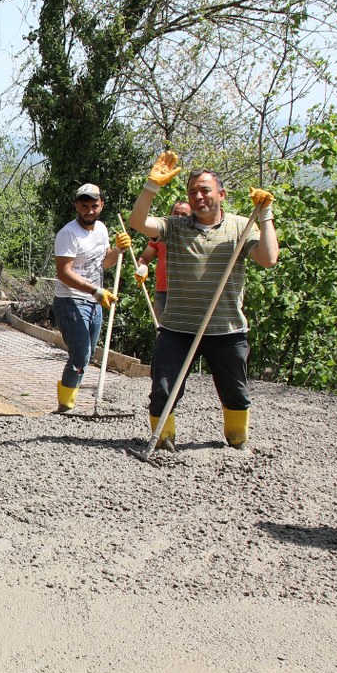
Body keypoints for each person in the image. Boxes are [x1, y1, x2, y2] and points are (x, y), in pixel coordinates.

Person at [128, 152, 278, 450]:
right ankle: (163, 440)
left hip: (226, 329)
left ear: (221, 194)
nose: (198, 196)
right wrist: (151, 186)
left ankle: (236, 439)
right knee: (163, 388)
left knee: (235, 392)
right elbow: (138, 222)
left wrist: (265, 214)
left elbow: (269, 258)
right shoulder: (174, 226)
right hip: (177, 328)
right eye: (192, 192)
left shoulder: (241, 226)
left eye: (205, 190)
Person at [51, 183, 131, 412]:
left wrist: (119, 250)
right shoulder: (68, 233)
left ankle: (68, 400)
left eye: (94, 206)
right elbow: (63, 273)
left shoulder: (102, 229)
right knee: (81, 353)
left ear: (101, 205)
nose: (89, 210)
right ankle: (65, 406)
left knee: (87, 355)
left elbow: (104, 263)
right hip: (70, 301)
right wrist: (95, 290)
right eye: (84, 206)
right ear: (76, 206)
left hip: (95, 301)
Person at [135, 200, 192, 313]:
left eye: (184, 214)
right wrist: (143, 267)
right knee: (161, 324)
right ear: (170, 215)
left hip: (188, 294)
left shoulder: (195, 237)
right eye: (176, 213)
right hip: (163, 293)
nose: (179, 217)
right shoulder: (161, 236)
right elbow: (144, 258)